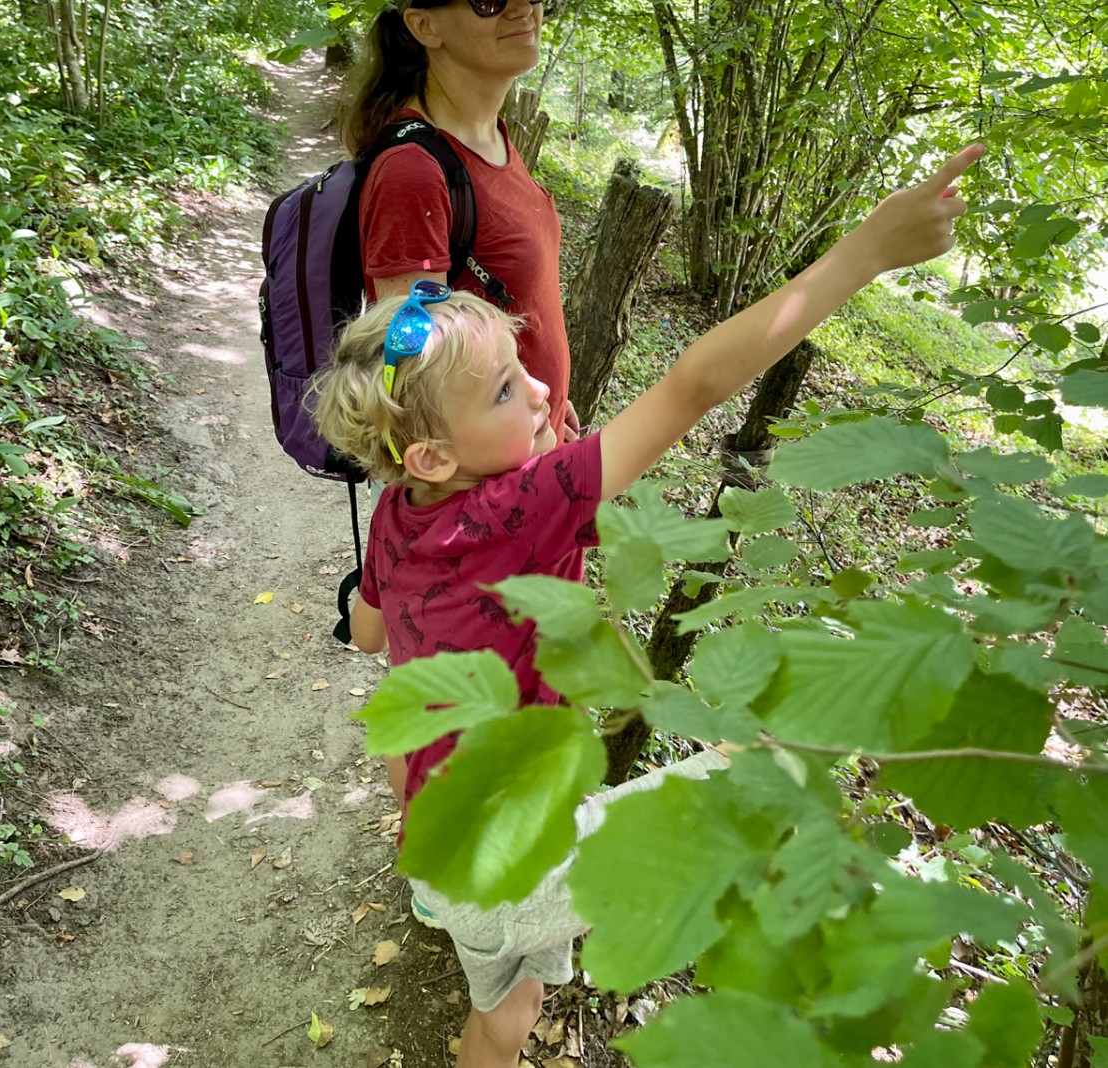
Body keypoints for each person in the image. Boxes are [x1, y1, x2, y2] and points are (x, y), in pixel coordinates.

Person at [312, 144, 984, 1068]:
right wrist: (862, 253)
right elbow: (692, 387)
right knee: (768, 769)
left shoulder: (400, 511)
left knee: (507, 1006)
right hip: (505, 857)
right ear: (432, 454)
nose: (542, 388)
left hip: (443, 843)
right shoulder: (522, 504)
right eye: (508, 389)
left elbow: (370, 634)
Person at [339, 0, 579, 446]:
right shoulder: (413, 174)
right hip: (495, 500)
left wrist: (550, 402)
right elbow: (413, 388)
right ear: (423, 25)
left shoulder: (490, 135)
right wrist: (534, 445)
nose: (520, 6)